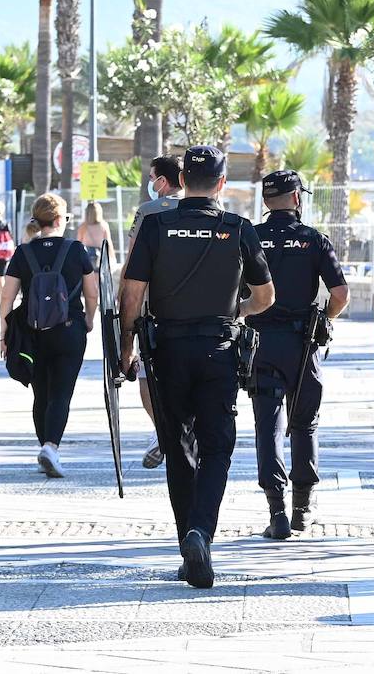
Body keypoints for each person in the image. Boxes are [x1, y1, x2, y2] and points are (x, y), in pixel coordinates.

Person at [120, 145, 274, 589]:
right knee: (217, 448)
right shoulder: (237, 228)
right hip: (218, 349)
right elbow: (266, 297)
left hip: (166, 350)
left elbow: (131, 295)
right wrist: (235, 313)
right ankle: (199, 532)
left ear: (181, 180)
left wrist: (126, 348)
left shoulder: (156, 225)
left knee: (177, 446)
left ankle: (188, 542)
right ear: (223, 184)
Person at [248, 170, 350, 540]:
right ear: (297, 198)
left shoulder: (251, 237)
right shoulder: (313, 239)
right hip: (303, 344)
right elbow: (340, 295)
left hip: (260, 342)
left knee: (267, 423)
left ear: (265, 201)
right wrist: (324, 320)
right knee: (304, 423)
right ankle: (302, 509)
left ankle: (276, 510)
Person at [0, 194, 98, 478]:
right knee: (61, 393)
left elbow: (7, 296)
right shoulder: (76, 250)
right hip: (69, 330)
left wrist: (4, 332)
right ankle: (51, 447)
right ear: (58, 220)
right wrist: (89, 319)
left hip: (32, 332)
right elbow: (91, 292)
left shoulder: (23, 252)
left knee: (40, 392)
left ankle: (45, 445)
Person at [127, 154, 184, 470]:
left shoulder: (148, 212)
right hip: (196, 308)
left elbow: (133, 262)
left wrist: (124, 312)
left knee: (147, 376)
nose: (151, 184)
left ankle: (162, 429)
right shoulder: (204, 208)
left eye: (152, 177)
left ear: (162, 181)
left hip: (152, 308)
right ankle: (175, 430)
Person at [78, 201, 117, 272]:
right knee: (99, 277)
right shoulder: (104, 225)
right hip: (100, 255)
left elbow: (78, 242)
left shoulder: (83, 226)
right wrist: (112, 256)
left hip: (86, 255)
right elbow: (108, 242)